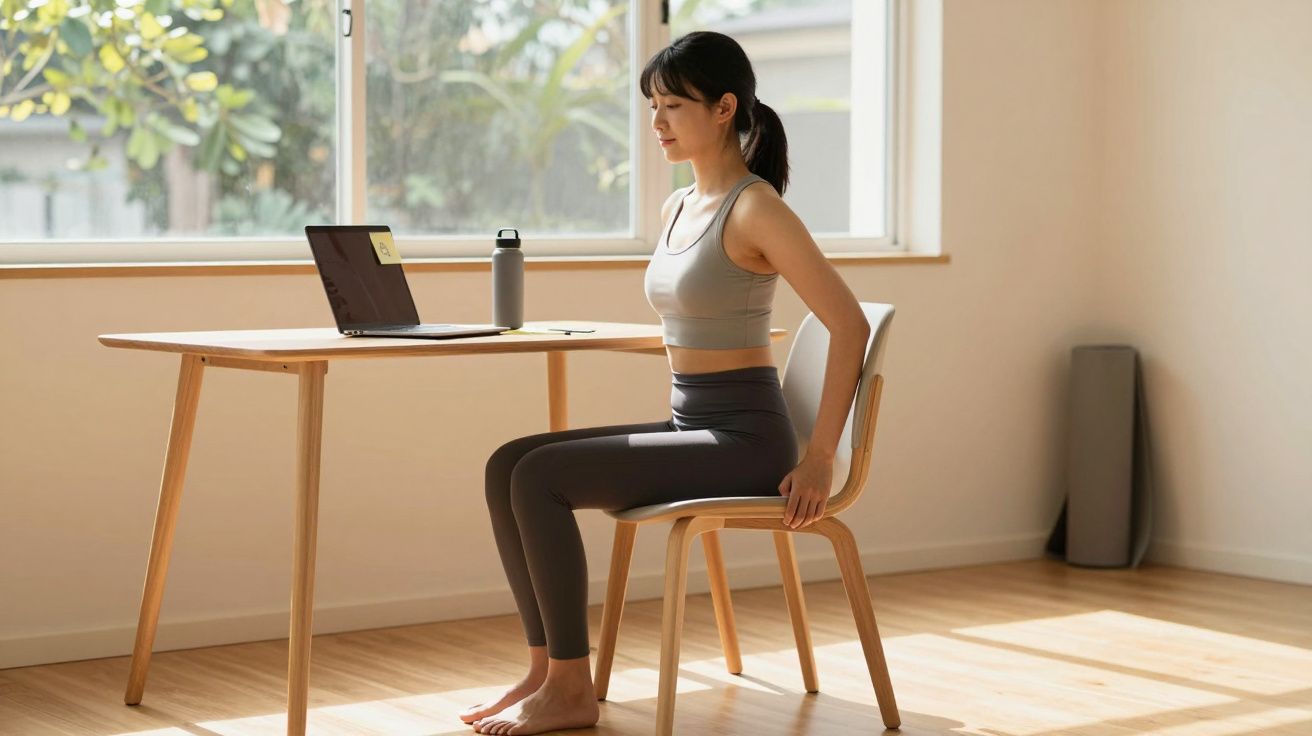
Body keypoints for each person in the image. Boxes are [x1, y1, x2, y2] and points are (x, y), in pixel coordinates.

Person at [462, 30, 872, 736]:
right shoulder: (680, 206)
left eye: (672, 107)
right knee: (508, 464)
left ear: (723, 109)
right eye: (651, 105)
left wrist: (819, 455)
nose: (656, 123)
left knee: (540, 480)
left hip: (746, 442)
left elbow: (850, 325)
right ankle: (543, 670)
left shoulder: (756, 208)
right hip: (693, 423)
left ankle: (571, 688)